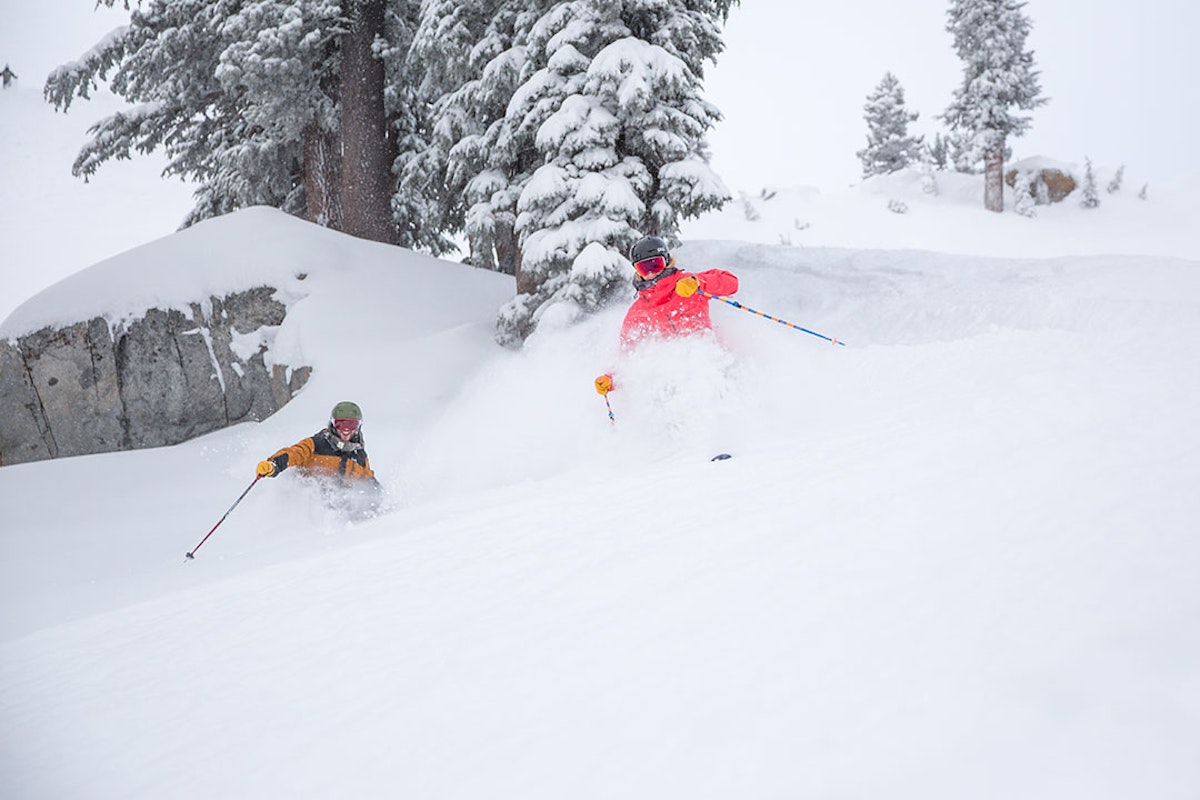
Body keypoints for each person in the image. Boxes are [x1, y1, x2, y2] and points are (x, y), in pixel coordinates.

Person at [594, 235, 738, 397]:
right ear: (636, 271)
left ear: (667, 261)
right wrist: (611, 379)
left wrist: (699, 282)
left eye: (655, 265)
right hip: (671, 381)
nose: (650, 273)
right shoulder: (638, 311)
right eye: (643, 268)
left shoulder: (687, 284)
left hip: (706, 366)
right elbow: (629, 354)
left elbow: (731, 283)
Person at [256, 401, 377, 485]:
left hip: (342, 511)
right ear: (332, 424)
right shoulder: (317, 444)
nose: (346, 430)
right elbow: (294, 453)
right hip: (308, 504)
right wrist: (274, 465)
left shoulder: (359, 456)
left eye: (351, 425)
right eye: (341, 424)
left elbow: (368, 483)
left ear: (358, 427)